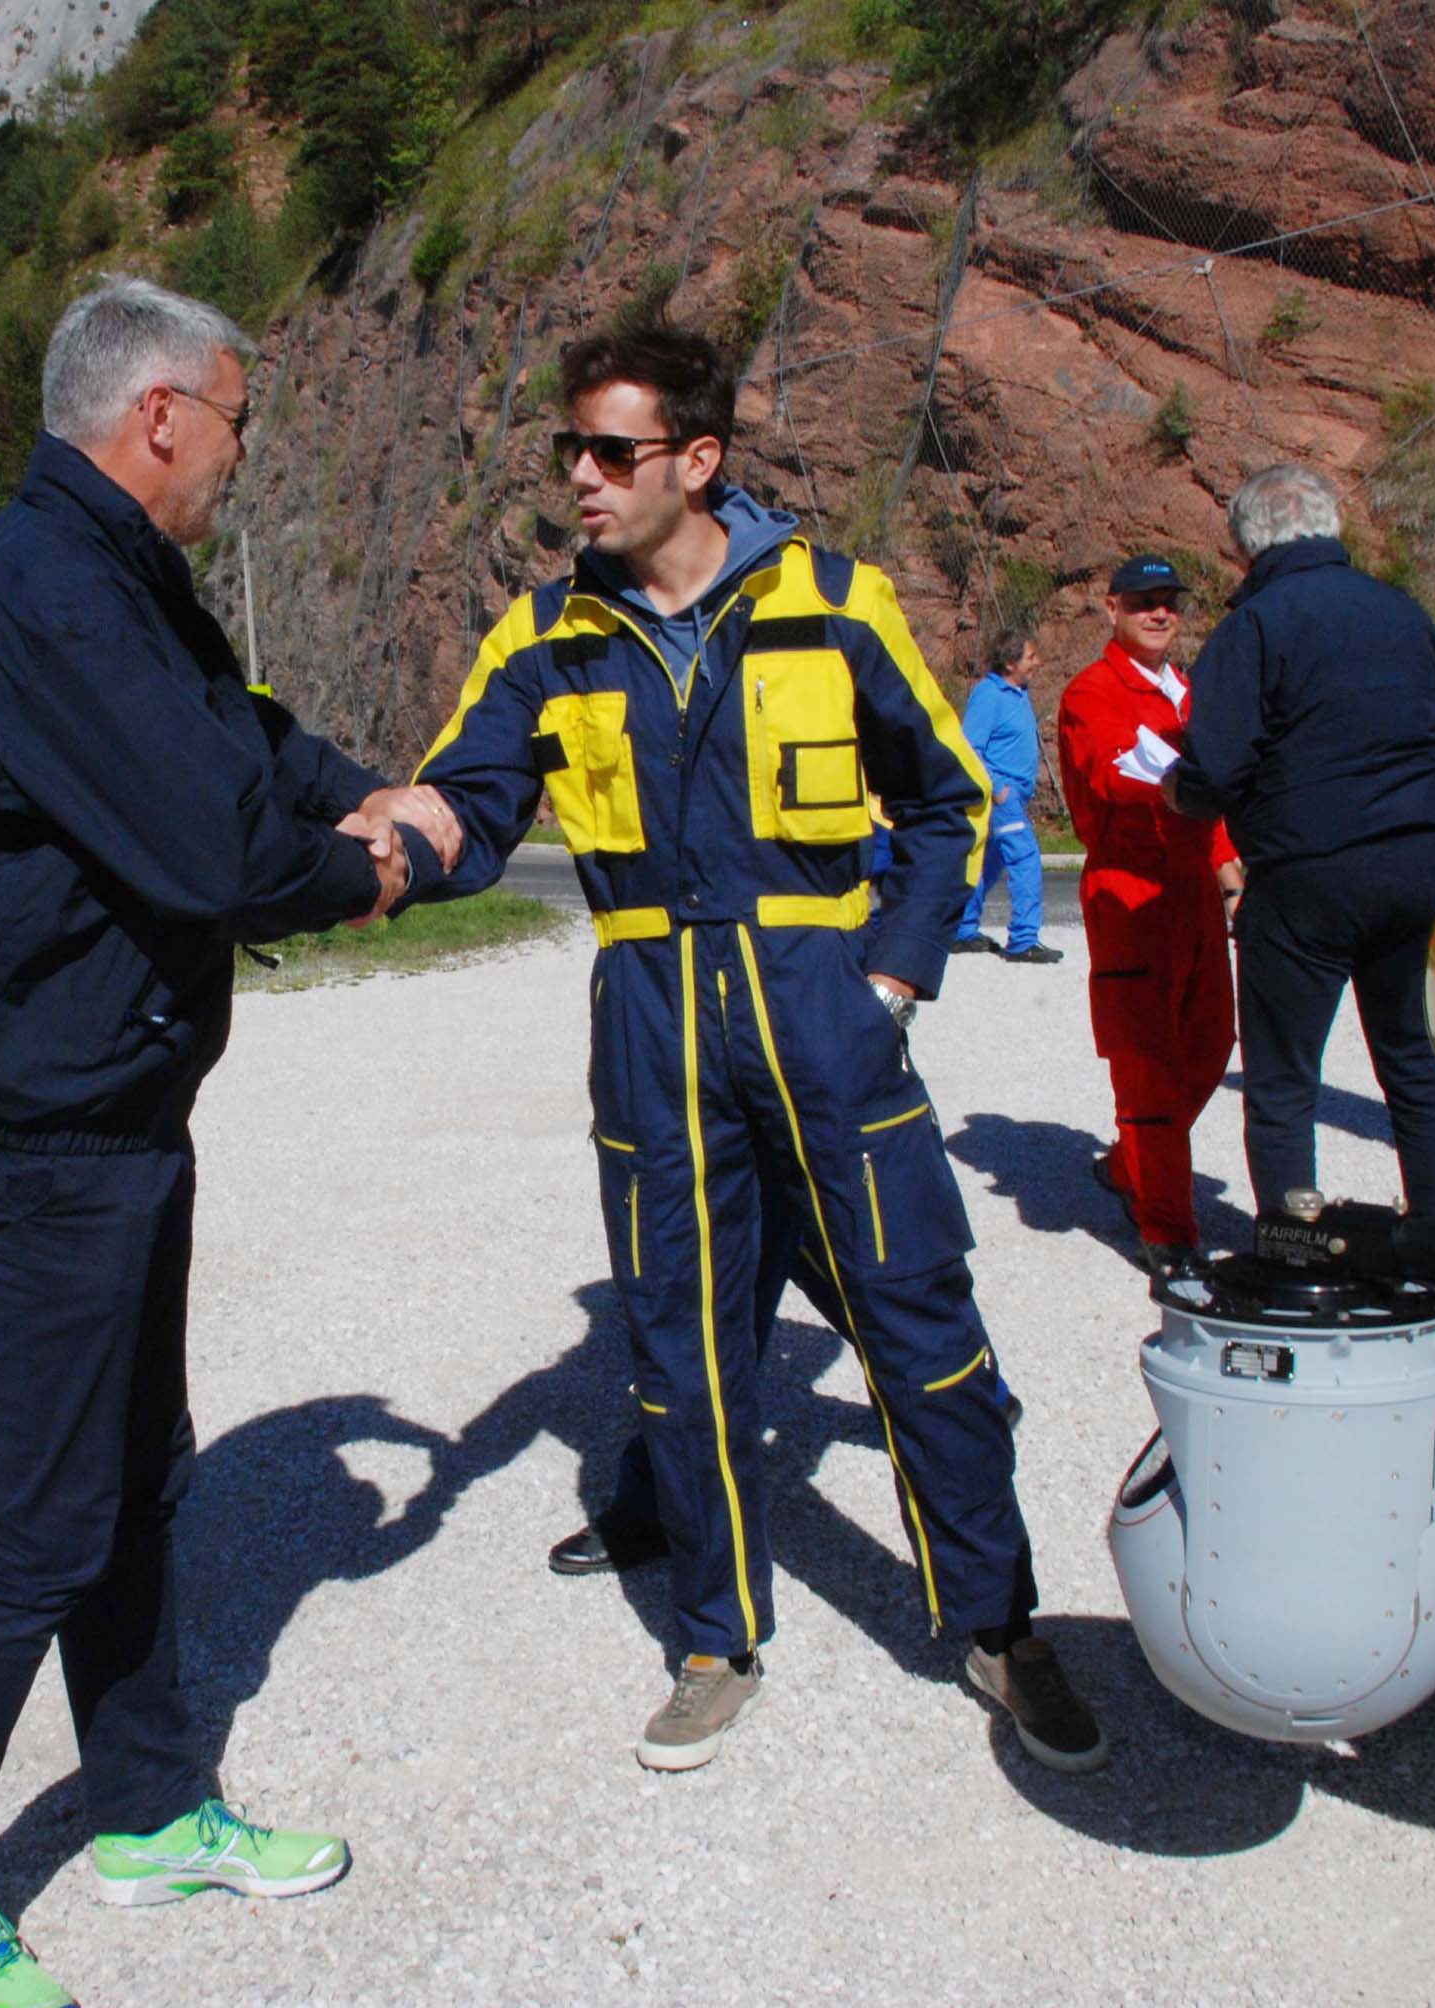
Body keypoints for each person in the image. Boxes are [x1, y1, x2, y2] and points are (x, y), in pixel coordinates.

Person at [0, 276, 452, 2008]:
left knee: (134, 1486)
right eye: (241, 421)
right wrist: (385, 865)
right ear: (161, 415)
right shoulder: (44, 590)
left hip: (110, 1115)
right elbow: (220, 853)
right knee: (45, 1522)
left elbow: (242, 744)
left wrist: (371, 779)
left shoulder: (122, 578)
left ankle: (148, 1808)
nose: (246, 457)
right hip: (29, 1135)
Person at [402, 322, 1106, 1777]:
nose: (580, 481)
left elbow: (948, 804)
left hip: (823, 1013)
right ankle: (717, 1640)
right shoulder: (546, 636)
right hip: (652, 1022)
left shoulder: (835, 605)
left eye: (612, 452)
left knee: (919, 1319)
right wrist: (383, 844)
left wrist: (896, 981)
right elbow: (467, 797)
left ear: (697, 461)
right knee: (682, 1336)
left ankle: (997, 1621)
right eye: (569, 453)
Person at [1161, 464, 1435, 1225]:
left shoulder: (1258, 625)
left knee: (1284, 1080)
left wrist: (1175, 786)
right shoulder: (1404, 614)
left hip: (1311, 870)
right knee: (1416, 1067)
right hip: (1421, 856)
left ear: (1245, 545)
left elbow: (1218, 768)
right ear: (1332, 527)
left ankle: (1292, 1250)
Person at [1056, 555, 1245, 1272]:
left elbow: (1213, 799)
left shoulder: (1189, 690)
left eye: (1169, 601)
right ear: (1113, 608)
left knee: (1212, 1044)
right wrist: (1184, 765)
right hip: (1131, 891)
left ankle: (1134, 1165)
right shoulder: (1091, 692)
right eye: (1144, 602)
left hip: (1192, 888)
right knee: (1148, 1067)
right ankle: (1167, 1230)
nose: (1160, 612)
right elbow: (1112, 772)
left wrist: (1228, 868)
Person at [949, 627, 1060, 962]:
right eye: (1030, 657)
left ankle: (962, 931)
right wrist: (998, 789)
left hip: (1015, 797)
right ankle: (1024, 939)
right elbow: (970, 747)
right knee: (1025, 857)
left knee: (986, 864)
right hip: (1001, 799)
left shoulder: (1018, 692)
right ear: (1010, 663)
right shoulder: (988, 695)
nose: (1037, 663)